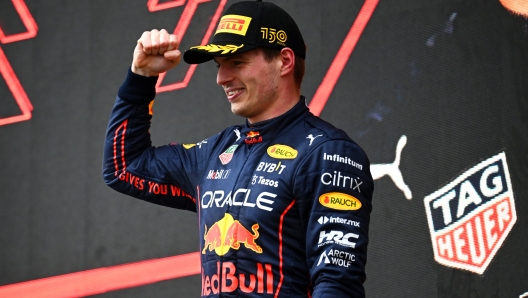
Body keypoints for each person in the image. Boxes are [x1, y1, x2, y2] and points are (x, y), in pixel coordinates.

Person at [103, 0, 373, 297]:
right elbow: (124, 167)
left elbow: (337, 284)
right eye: (220, 66)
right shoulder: (214, 152)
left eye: (237, 62)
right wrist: (141, 78)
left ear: (284, 61)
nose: (221, 78)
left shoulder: (328, 154)